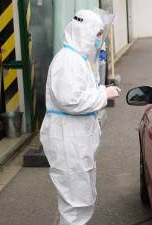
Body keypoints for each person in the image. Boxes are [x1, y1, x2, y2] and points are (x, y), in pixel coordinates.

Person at [40, 10, 121, 225]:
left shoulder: (78, 59)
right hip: (69, 137)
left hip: (75, 136)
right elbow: (71, 101)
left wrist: (99, 90)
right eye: (97, 34)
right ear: (84, 31)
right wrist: (103, 94)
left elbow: (78, 93)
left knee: (80, 197)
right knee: (75, 203)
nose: (98, 39)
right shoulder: (68, 61)